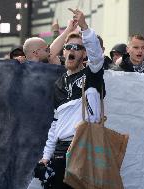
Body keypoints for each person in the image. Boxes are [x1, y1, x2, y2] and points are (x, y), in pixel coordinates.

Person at [39, 8, 104, 189]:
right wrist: (45, 158)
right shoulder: (59, 83)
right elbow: (54, 125)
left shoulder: (92, 73)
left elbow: (97, 56)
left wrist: (84, 26)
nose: (71, 50)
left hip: (84, 149)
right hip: (60, 152)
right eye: (68, 47)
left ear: (84, 54)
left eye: (77, 47)